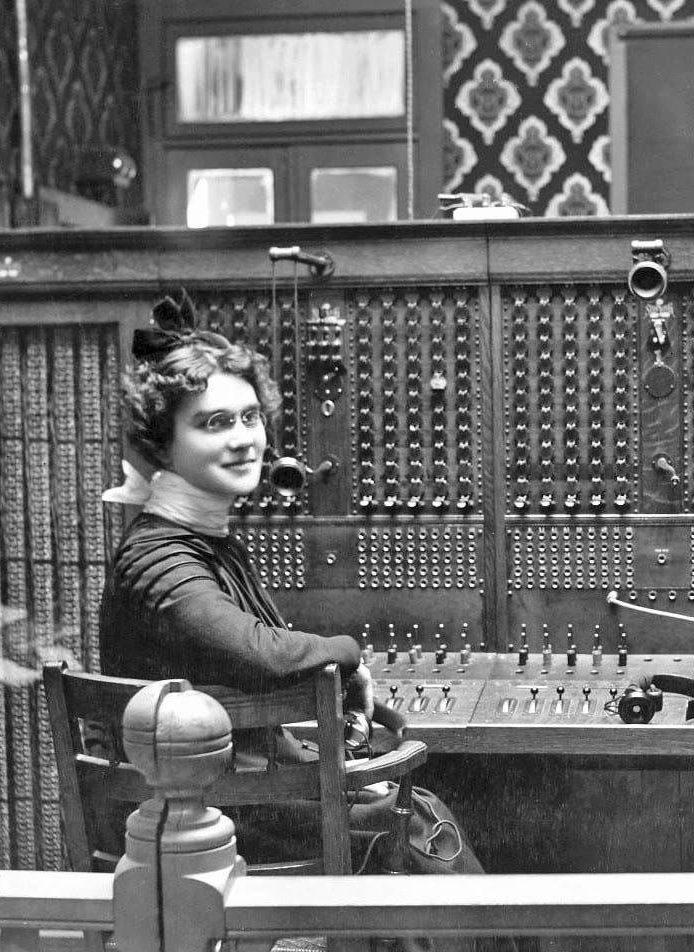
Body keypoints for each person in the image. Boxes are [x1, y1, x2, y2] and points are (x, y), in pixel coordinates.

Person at [98, 292, 486, 884]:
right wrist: (350, 656)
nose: (244, 439)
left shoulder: (205, 541)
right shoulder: (158, 559)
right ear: (162, 442)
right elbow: (261, 651)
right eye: (214, 423)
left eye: (250, 417)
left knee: (416, 804)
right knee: (414, 822)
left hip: (233, 789)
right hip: (204, 816)